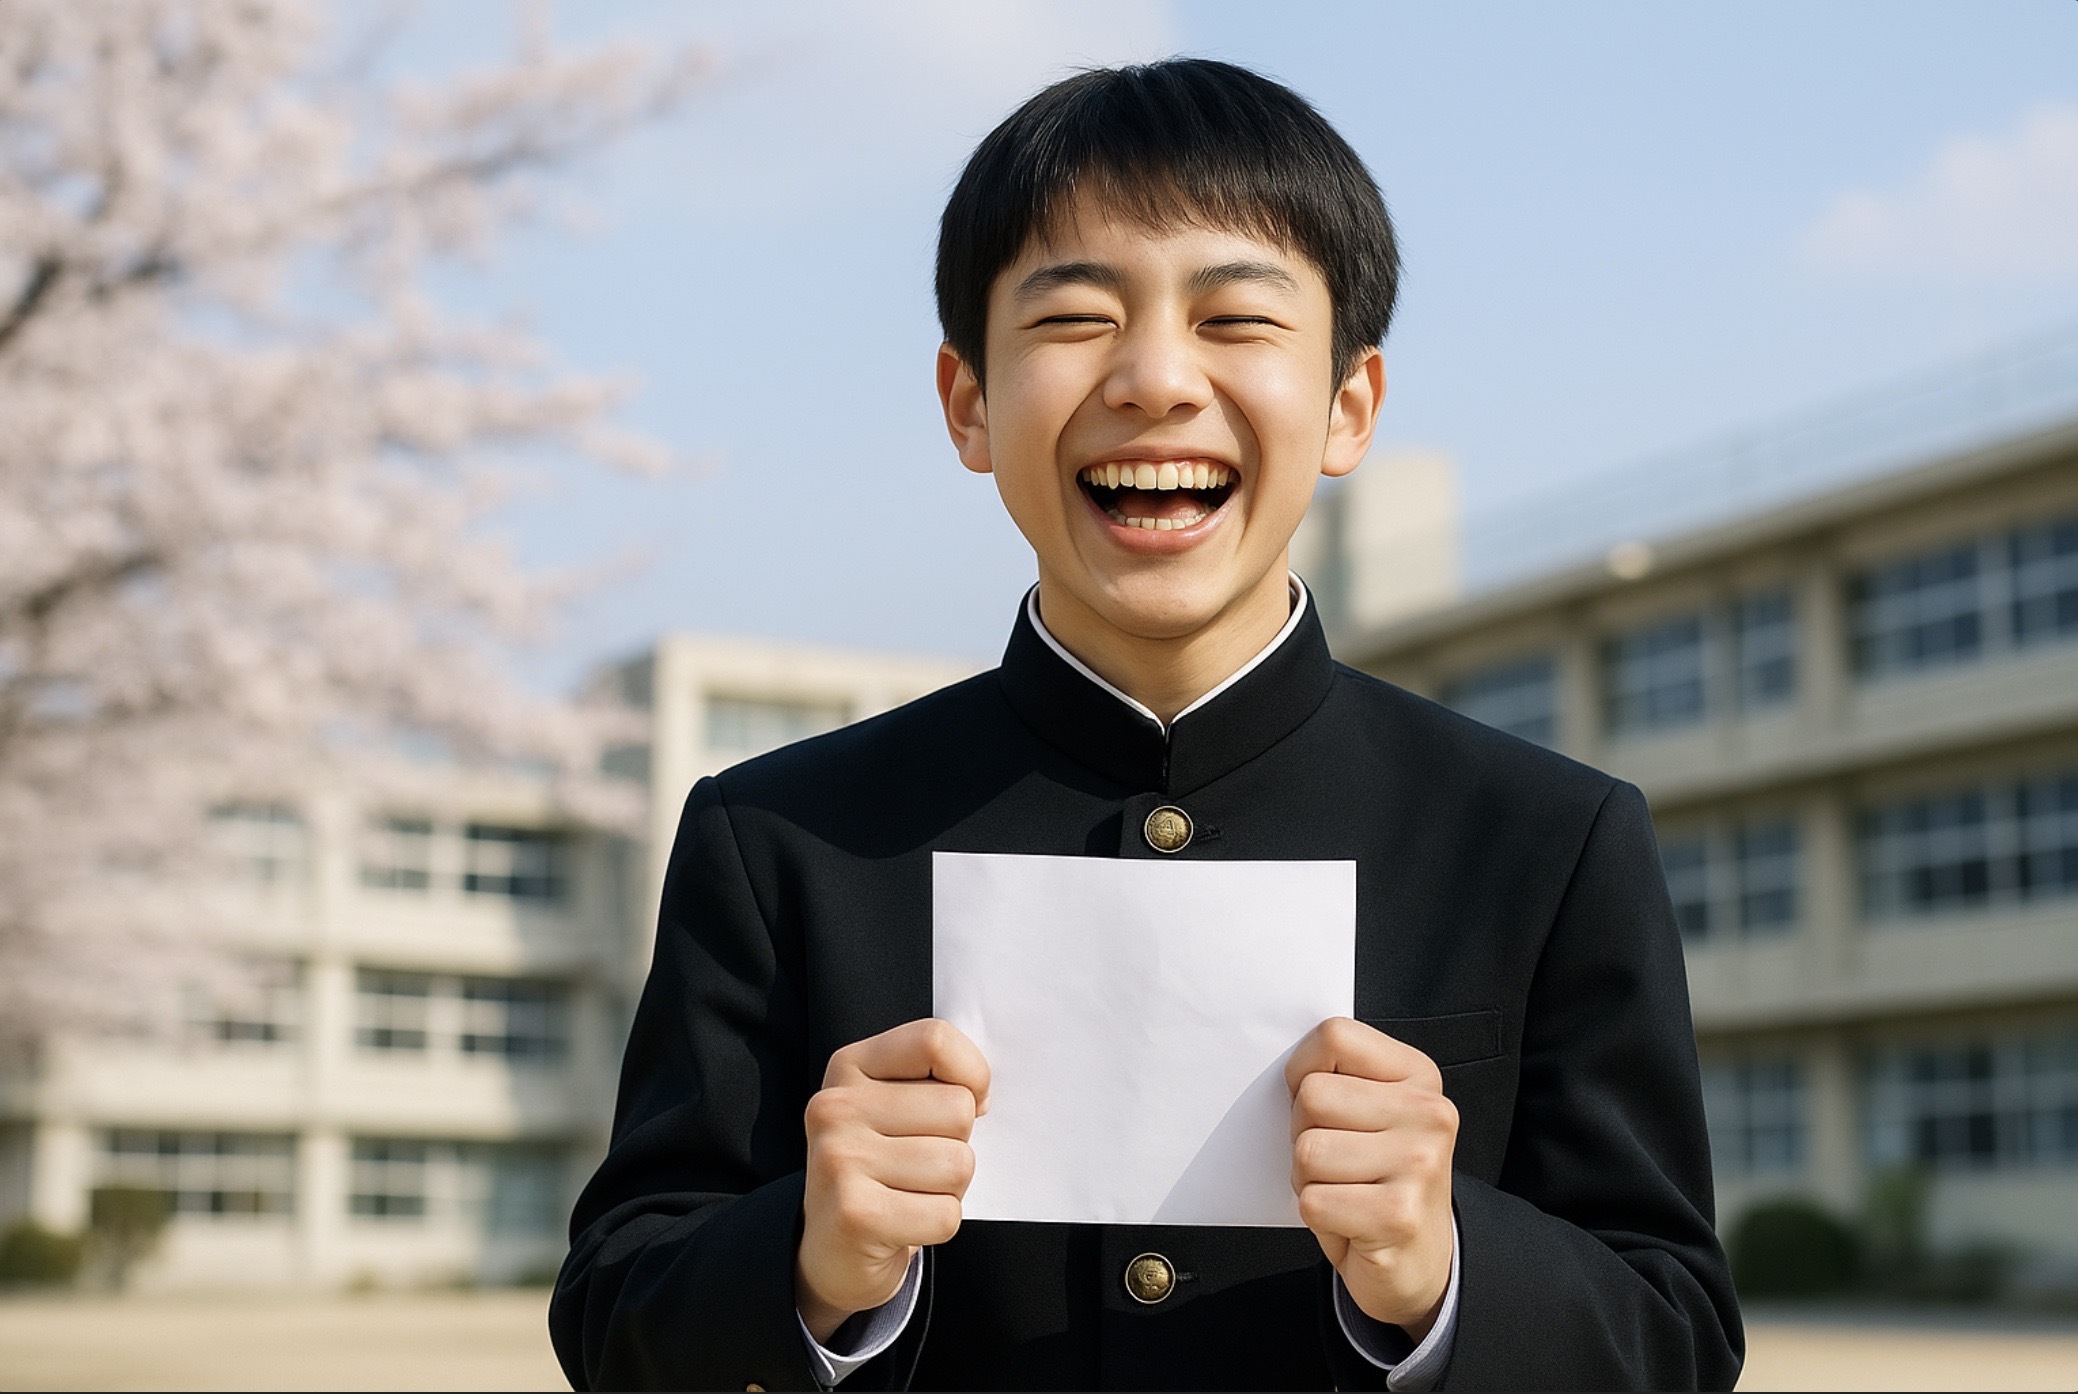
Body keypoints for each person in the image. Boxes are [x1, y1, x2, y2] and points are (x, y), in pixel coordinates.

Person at [549, 58, 1742, 1392]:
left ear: (1349, 405)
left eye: (1236, 318)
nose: (1156, 378)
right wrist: (812, 1264)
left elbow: (1678, 1338)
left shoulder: (1548, 839)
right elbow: (613, 1315)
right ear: (967, 401)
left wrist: (1445, 1269)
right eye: (1074, 318)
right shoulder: (778, 838)